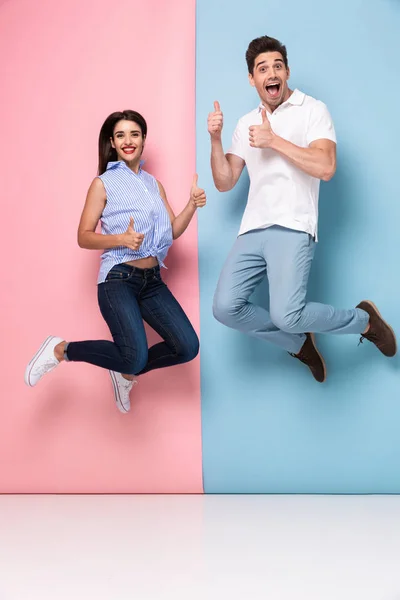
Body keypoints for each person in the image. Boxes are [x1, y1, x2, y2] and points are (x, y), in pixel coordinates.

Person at [208, 35, 396, 383]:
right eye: (262, 68)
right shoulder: (246, 122)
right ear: (252, 79)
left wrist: (274, 141)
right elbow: (224, 181)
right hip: (252, 229)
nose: (271, 73)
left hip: (294, 224)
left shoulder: (313, 110)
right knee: (224, 308)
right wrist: (216, 140)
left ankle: (364, 321)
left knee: (287, 314)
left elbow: (326, 167)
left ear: (287, 71)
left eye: (277, 65)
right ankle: (298, 344)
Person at [25, 110, 205, 412]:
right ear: (112, 142)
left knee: (187, 346)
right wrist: (120, 239)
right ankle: (61, 349)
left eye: (134, 134)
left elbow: (170, 232)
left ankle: (123, 371)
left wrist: (192, 205)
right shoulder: (103, 183)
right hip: (118, 280)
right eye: (121, 135)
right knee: (134, 355)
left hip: (152, 283)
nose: (128, 141)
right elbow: (84, 236)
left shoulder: (153, 184)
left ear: (144, 139)